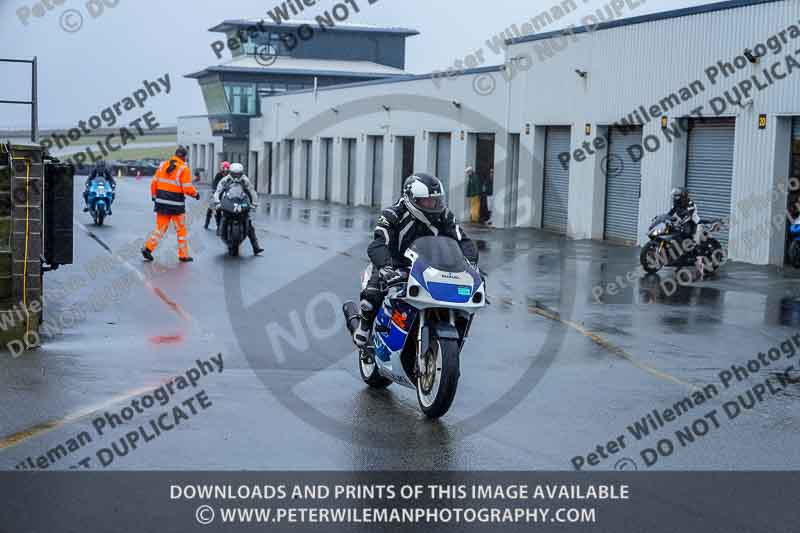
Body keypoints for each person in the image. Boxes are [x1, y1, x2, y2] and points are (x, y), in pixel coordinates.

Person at [353, 173, 479, 348]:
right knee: (372, 295)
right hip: (395, 264)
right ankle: (364, 326)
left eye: (436, 200)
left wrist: (471, 264)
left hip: (431, 266)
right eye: (427, 201)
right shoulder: (393, 214)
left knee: (460, 300)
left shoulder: (445, 216)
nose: (433, 205)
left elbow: (463, 240)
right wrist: (385, 267)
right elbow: (378, 243)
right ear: (412, 199)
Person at [141, 146, 201, 263]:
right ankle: (183, 255)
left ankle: (148, 248)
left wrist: (154, 197)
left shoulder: (163, 165)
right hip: (176, 205)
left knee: (160, 229)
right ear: (184, 157)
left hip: (161, 204)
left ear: (175, 154)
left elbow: (154, 182)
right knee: (181, 230)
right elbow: (187, 188)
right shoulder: (184, 169)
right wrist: (196, 194)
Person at [213, 162, 264, 255]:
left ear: (241, 173)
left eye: (238, 174)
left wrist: (254, 203)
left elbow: (252, 192)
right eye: (234, 174)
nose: (236, 176)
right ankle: (219, 227)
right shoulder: (225, 180)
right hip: (228, 201)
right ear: (230, 172)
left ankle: (256, 247)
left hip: (241, 201)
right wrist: (217, 202)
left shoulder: (245, 180)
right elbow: (218, 191)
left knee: (249, 223)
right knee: (218, 212)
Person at [205, 161, 230, 230]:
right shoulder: (218, 175)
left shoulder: (230, 176)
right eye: (224, 169)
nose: (225, 171)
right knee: (212, 206)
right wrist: (214, 190)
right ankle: (208, 222)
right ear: (221, 169)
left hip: (227, 194)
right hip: (218, 193)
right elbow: (214, 183)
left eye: (227, 169)